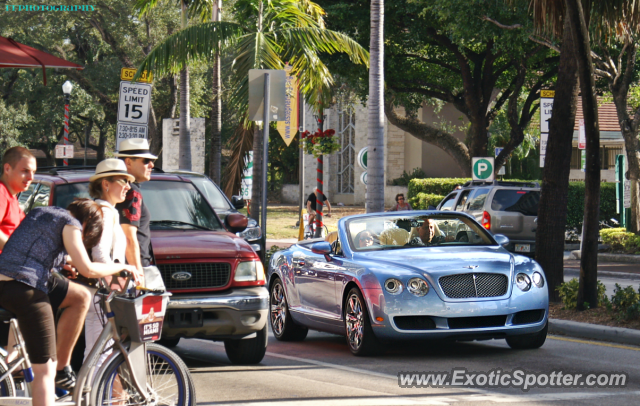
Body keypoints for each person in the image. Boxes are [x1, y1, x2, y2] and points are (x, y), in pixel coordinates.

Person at [0, 199, 138, 406]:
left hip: (7, 281)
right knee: (43, 370)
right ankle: (52, 371)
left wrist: (64, 262)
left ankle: (62, 369)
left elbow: (33, 248)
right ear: (87, 224)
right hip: (26, 287)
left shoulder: (42, 212)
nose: (83, 240)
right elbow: (88, 269)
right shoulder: (71, 223)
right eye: (87, 237)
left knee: (80, 297)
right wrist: (120, 268)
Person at [0, 147, 92, 392]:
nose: (30, 178)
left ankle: (29, 363)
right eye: (24, 171)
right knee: (78, 297)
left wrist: (63, 263)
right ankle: (55, 370)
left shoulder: (16, 202)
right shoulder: (1, 194)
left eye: (33, 172)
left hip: (23, 274)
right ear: (7, 168)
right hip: (14, 275)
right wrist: (14, 250)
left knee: (75, 295)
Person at [84, 159, 135, 370]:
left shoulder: (107, 211)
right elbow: (100, 254)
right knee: (100, 354)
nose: (128, 186)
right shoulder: (105, 212)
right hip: (100, 292)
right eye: (123, 180)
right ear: (106, 184)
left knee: (97, 351)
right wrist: (121, 278)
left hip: (99, 290)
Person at [114, 139, 157, 279]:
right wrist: (139, 276)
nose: (151, 165)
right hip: (129, 271)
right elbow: (129, 237)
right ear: (128, 162)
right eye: (145, 160)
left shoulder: (117, 189)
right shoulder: (131, 192)